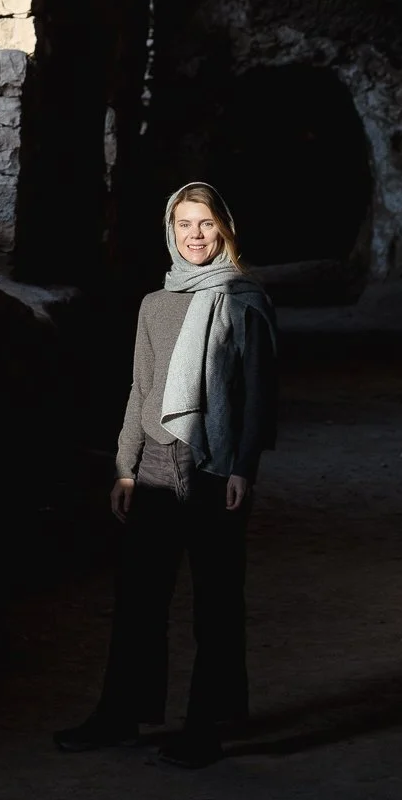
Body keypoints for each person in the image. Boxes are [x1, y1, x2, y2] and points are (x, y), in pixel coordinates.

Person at [55, 181, 277, 768]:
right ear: (170, 231)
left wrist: (242, 465)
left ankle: (207, 724)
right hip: (155, 460)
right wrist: (125, 466)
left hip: (214, 464)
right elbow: (140, 389)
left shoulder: (243, 299)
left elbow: (257, 394)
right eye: (184, 224)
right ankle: (120, 715)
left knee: (216, 598)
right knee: (138, 599)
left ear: (224, 229)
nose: (195, 236)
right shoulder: (155, 304)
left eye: (205, 224)